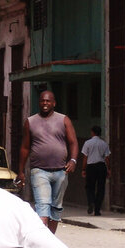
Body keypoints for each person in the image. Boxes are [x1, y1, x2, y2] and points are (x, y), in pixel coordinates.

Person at [16, 90, 79, 233]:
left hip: (61, 171)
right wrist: (21, 171)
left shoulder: (63, 120)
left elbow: (73, 142)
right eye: (42, 101)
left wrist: (73, 160)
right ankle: (43, 238)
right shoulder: (30, 122)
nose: (45, 103)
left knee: (56, 208)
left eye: (48, 101)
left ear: (54, 103)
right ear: (39, 103)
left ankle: (50, 239)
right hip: (39, 171)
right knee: (42, 206)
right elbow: (25, 148)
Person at [81, 125, 111, 216]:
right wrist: (108, 169)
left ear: (92, 132)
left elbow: (85, 157)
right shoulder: (104, 144)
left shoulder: (87, 143)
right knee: (101, 188)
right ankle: (97, 210)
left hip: (91, 167)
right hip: (101, 166)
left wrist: (83, 169)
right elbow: (107, 158)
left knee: (90, 187)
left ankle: (91, 202)